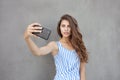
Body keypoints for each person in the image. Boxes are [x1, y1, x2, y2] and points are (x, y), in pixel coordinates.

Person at [24, 14, 88, 80]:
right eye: (63, 26)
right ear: (59, 28)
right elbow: (38, 52)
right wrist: (27, 38)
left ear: (73, 28)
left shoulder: (79, 46)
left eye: (69, 26)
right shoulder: (55, 45)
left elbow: (82, 71)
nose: (66, 29)